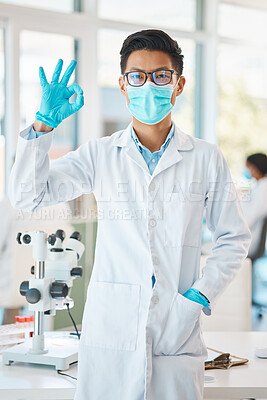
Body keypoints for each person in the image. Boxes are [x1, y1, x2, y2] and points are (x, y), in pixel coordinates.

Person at [9, 29, 251, 400]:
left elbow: (233, 238)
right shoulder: (100, 155)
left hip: (177, 331)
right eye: (137, 76)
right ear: (123, 86)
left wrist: (200, 297)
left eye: (161, 76)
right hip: (111, 332)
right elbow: (26, 197)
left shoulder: (205, 157)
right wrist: (43, 125)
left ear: (179, 84)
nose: (148, 85)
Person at [242, 153, 267, 259]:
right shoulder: (259, 186)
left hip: (249, 242)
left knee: (205, 249)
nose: (247, 171)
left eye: (248, 167)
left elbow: (251, 218)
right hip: (247, 237)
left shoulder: (263, 188)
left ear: (256, 168)